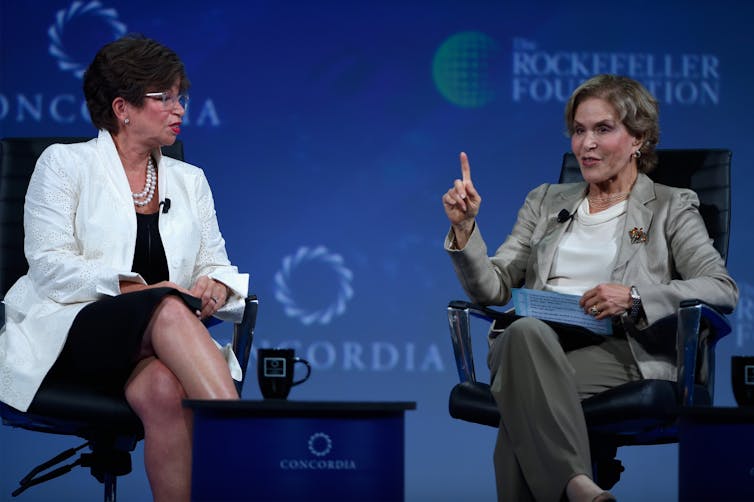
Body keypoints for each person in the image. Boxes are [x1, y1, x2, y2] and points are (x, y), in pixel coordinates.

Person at [442, 74, 738, 501]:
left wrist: (635, 297)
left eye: (603, 129)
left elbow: (721, 287)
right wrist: (465, 229)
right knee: (524, 334)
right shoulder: (545, 201)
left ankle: (573, 487)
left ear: (639, 138)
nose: (586, 144)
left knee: (520, 407)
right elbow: (494, 288)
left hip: (621, 349)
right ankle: (576, 485)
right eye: (579, 131)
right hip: (534, 345)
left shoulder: (671, 206)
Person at [0, 35, 248, 501]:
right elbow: (49, 265)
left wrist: (215, 283)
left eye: (181, 97)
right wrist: (134, 288)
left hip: (154, 351)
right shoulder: (64, 164)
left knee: (162, 391)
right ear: (123, 107)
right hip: (77, 337)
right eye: (164, 98)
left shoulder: (190, 181)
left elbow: (215, 259)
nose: (179, 109)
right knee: (169, 306)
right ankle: (241, 450)